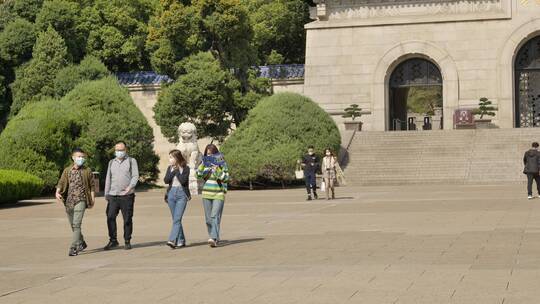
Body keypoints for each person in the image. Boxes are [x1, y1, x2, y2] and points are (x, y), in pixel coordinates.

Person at [56, 148, 95, 256]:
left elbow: (92, 186)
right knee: (73, 225)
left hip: (81, 199)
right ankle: (81, 242)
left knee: (77, 224)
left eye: (83, 157)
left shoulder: (87, 171)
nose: (81, 159)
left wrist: (92, 199)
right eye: (79, 157)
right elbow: (61, 182)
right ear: (73, 157)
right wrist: (57, 192)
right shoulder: (67, 170)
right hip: (69, 201)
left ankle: (73, 247)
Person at [103, 141, 139, 250]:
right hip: (113, 195)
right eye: (117, 150)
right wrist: (106, 193)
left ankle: (127, 240)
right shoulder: (111, 162)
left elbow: (135, 175)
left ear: (126, 150)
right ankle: (113, 240)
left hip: (126, 195)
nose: (119, 152)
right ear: (114, 151)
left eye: (121, 150)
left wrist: (130, 187)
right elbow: (108, 178)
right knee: (110, 217)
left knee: (127, 218)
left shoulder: (131, 161)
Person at [196, 144, 229, 247]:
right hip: (206, 194)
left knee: (215, 216)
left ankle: (213, 237)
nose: (210, 156)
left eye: (212, 154)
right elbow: (198, 175)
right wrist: (202, 164)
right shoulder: (204, 164)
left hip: (218, 193)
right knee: (208, 219)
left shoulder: (222, 164)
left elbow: (226, 178)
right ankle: (214, 237)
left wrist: (217, 169)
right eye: (208, 154)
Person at [163, 150, 191, 249]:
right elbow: (166, 180)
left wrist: (177, 171)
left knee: (177, 218)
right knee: (176, 219)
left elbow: (183, 181)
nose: (169, 159)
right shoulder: (169, 168)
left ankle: (172, 240)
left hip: (181, 194)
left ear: (177, 158)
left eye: (171, 157)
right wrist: (173, 171)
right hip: (171, 194)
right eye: (169, 157)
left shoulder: (186, 168)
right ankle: (181, 240)